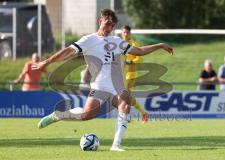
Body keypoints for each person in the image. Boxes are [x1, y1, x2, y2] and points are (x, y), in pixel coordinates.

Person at [32, 9, 173, 151]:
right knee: (86, 115)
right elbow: (67, 51)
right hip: (100, 85)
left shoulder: (117, 41)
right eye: (107, 24)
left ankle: (116, 145)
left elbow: (140, 51)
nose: (109, 28)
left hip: (116, 86)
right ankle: (59, 115)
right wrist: (47, 62)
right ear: (100, 21)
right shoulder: (89, 40)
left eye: (112, 26)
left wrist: (159, 45)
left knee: (126, 103)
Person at [121, 25, 149, 123]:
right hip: (121, 75)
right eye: (123, 32)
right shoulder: (118, 44)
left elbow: (140, 58)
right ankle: (143, 113)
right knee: (127, 96)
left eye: (127, 32)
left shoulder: (133, 44)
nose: (125, 34)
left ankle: (127, 116)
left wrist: (131, 61)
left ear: (130, 33)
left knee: (126, 95)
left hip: (131, 75)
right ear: (121, 33)